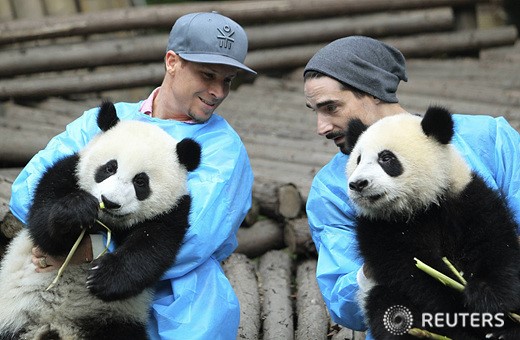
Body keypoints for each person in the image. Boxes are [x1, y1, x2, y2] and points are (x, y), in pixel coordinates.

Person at [9, 11, 256, 340]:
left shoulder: (223, 150)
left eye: (227, 80)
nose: (218, 91)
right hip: (49, 290)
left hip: (174, 309)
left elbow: (190, 238)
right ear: (172, 62)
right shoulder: (108, 121)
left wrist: (90, 248)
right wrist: (54, 226)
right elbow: (29, 187)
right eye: (207, 75)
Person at [303, 36, 520, 339]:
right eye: (314, 110)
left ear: (373, 90)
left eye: (331, 107)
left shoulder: (486, 137)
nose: (321, 127)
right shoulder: (331, 187)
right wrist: (380, 261)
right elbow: (345, 304)